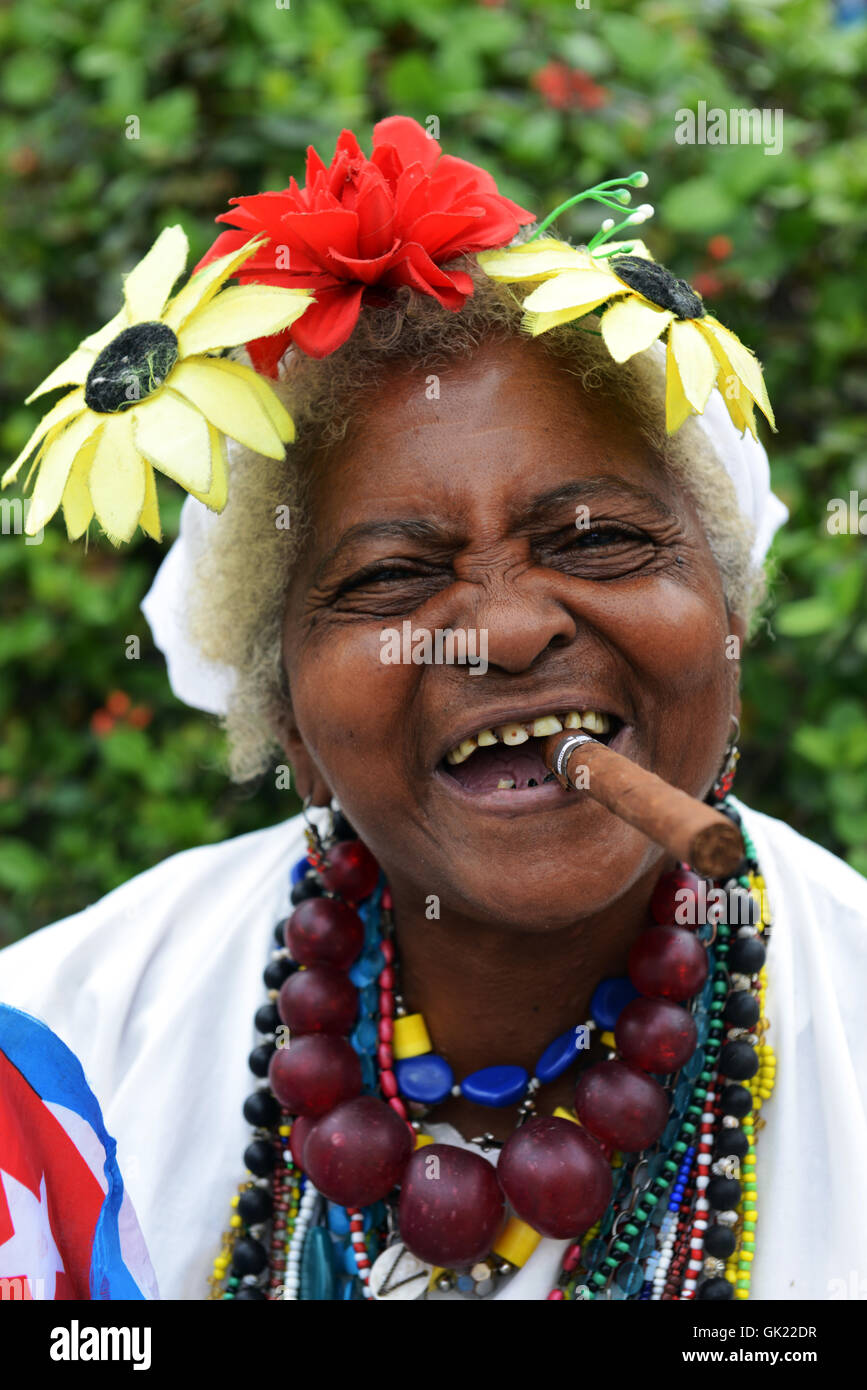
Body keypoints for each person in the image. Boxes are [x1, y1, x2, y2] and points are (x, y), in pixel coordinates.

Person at [1, 116, 865, 1303]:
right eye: (392, 576)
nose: (506, 631)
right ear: (290, 722)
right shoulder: (61, 1059)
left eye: (602, 539)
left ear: (725, 619)